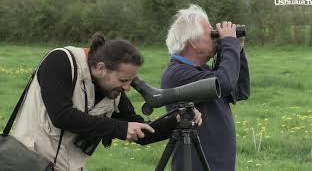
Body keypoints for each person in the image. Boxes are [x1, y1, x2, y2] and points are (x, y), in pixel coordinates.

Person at [12, 32, 202, 171]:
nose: (127, 88)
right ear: (101, 68)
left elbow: (143, 133)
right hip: (27, 162)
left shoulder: (112, 91)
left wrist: (179, 118)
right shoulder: (61, 61)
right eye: (123, 80)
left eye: (130, 81)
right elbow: (61, 116)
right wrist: (119, 128)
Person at [161, 4, 250, 171]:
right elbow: (223, 83)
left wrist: (238, 50)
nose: (216, 37)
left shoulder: (203, 71)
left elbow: (239, 90)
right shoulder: (177, 74)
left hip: (217, 162)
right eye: (211, 33)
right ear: (194, 42)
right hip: (196, 164)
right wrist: (229, 43)